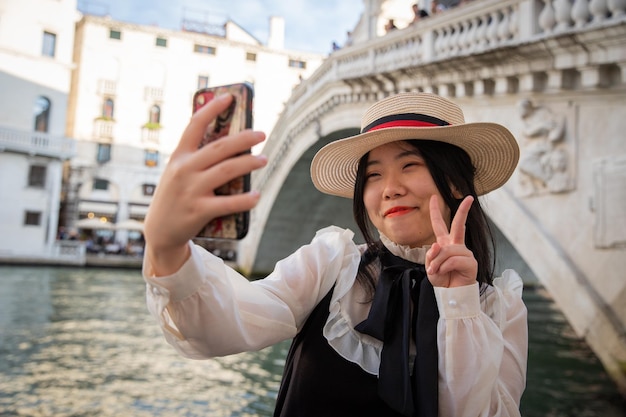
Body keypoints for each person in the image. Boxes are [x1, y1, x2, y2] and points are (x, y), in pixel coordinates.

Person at [142, 92, 528, 417]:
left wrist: (459, 302)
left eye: (410, 165)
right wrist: (166, 249)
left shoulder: (501, 306)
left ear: (457, 182)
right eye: (373, 175)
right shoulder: (334, 263)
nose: (389, 189)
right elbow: (226, 324)